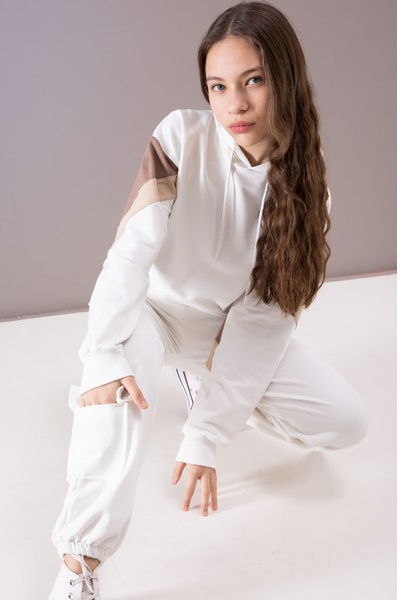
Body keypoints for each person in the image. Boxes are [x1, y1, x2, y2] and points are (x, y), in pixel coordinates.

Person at [49, 2, 368, 598]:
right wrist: (103, 352)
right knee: (116, 392)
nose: (235, 104)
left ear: (285, 78)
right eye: (218, 86)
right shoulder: (180, 136)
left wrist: (208, 430)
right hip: (152, 313)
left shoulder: (309, 181)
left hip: (222, 332)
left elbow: (266, 317)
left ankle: (201, 379)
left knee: (348, 423)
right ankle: (78, 566)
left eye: (254, 80)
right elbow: (130, 253)